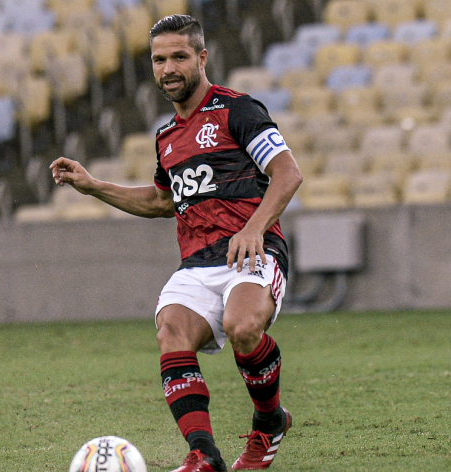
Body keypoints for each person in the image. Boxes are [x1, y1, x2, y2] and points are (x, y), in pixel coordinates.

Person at [50, 14, 303, 472]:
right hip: (197, 262)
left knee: (243, 326)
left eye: (179, 57)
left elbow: (287, 173)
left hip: (252, 250)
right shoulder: (166, 136)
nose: (168, 67)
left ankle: (270, 422)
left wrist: (254, 228)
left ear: (202, 58)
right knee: (171, 331)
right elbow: (161, 202)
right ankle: (204, 456)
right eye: (158, 59)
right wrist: (93, 186)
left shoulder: (237, 110)